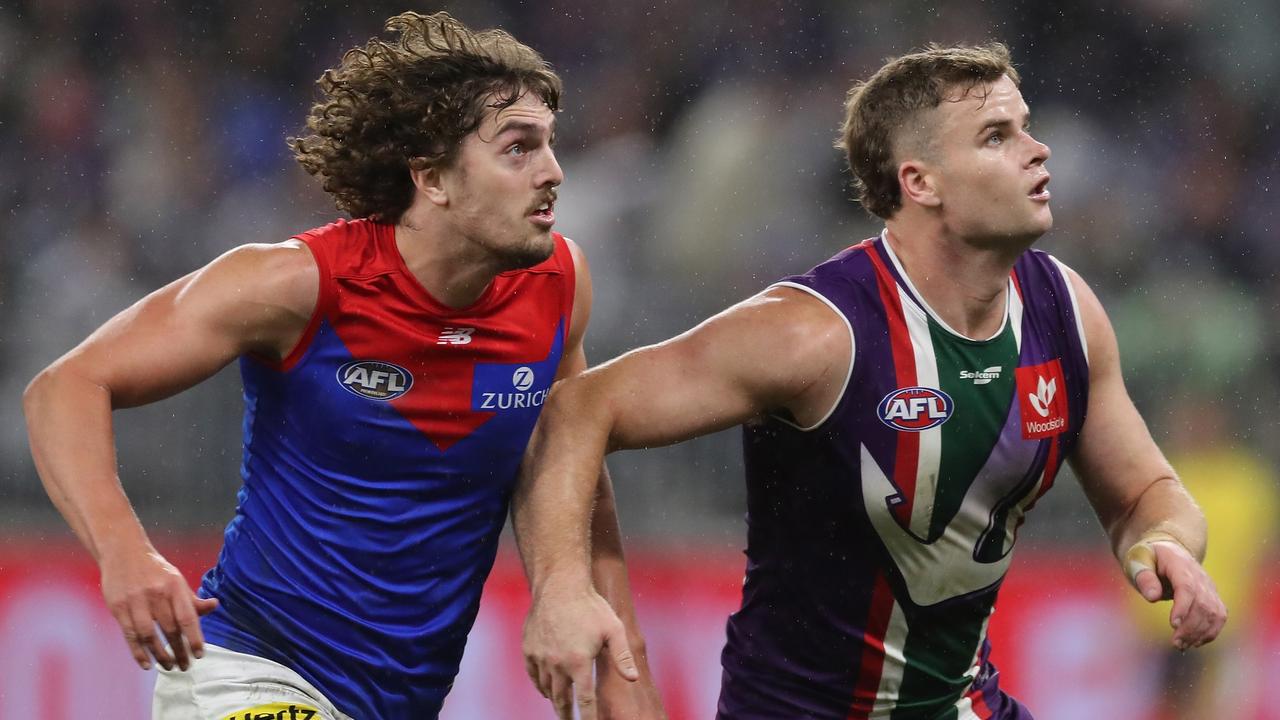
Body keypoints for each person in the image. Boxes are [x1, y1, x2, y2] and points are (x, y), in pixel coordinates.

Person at [512, 43, 1227, 720]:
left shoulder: (1065, 311)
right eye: (996, 136)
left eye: (1027, 128)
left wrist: (1161, 542)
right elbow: (578, 408)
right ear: (920, 182)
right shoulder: (814, 333)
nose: (1037, 152)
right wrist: (564, 591)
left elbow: (1144, 493)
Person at [23, 11, 662, 720]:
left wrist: (616, 658)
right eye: (518, 149)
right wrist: (124, 554)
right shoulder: (297, 284)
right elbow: (65, 387)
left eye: (549, 145)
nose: (553, 172)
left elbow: (567, 465)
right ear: (433, 178)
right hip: (251, 671)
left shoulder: (559, 286)